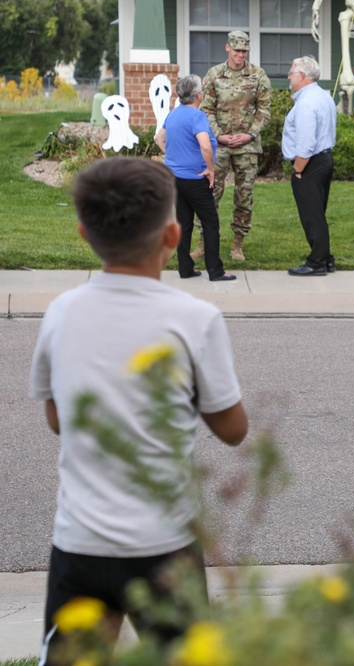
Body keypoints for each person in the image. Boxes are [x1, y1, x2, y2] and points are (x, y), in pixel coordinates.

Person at [29, 158, 248, 664]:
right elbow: (234, 429)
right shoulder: (195, 319)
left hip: (80, 540)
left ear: (84, 233)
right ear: (173, 236)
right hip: (166, 544)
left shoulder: (61, 312)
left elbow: (58, 420)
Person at [194, 30, 272, 263]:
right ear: (228, 48)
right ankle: (204, 243)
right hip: (220, 146)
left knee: (244, 195)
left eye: (244, 51)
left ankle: (238, 244)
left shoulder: (258, 76)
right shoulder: (214, 75)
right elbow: (206, 110)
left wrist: (249, 134)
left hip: (247, 146)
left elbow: (264, 111)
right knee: (210, 193)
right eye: (237, 50)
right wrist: (219, 136)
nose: (240, 55)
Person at [154, 75, 236, 282]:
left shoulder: (173, 115)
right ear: (199, 94)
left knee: (184, 222)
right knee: (210, 223)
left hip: (175, 178)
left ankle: (186, 269)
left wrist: (172, 156)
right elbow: (205, 145)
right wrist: (210, 169)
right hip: (195, 179)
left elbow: (159, 138)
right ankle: (216, 271)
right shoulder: (197, 117)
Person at [281, 56, 337, 277]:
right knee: (317, 215)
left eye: (292, 72)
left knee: (312, 216)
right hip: (323, 160)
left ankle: (316, 263)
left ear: (302, 76)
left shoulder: (306, 103)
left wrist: (297, 170)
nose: (288, 76)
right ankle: (326, 259)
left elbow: (306, 143)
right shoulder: (323, 96)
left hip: (310, 164)